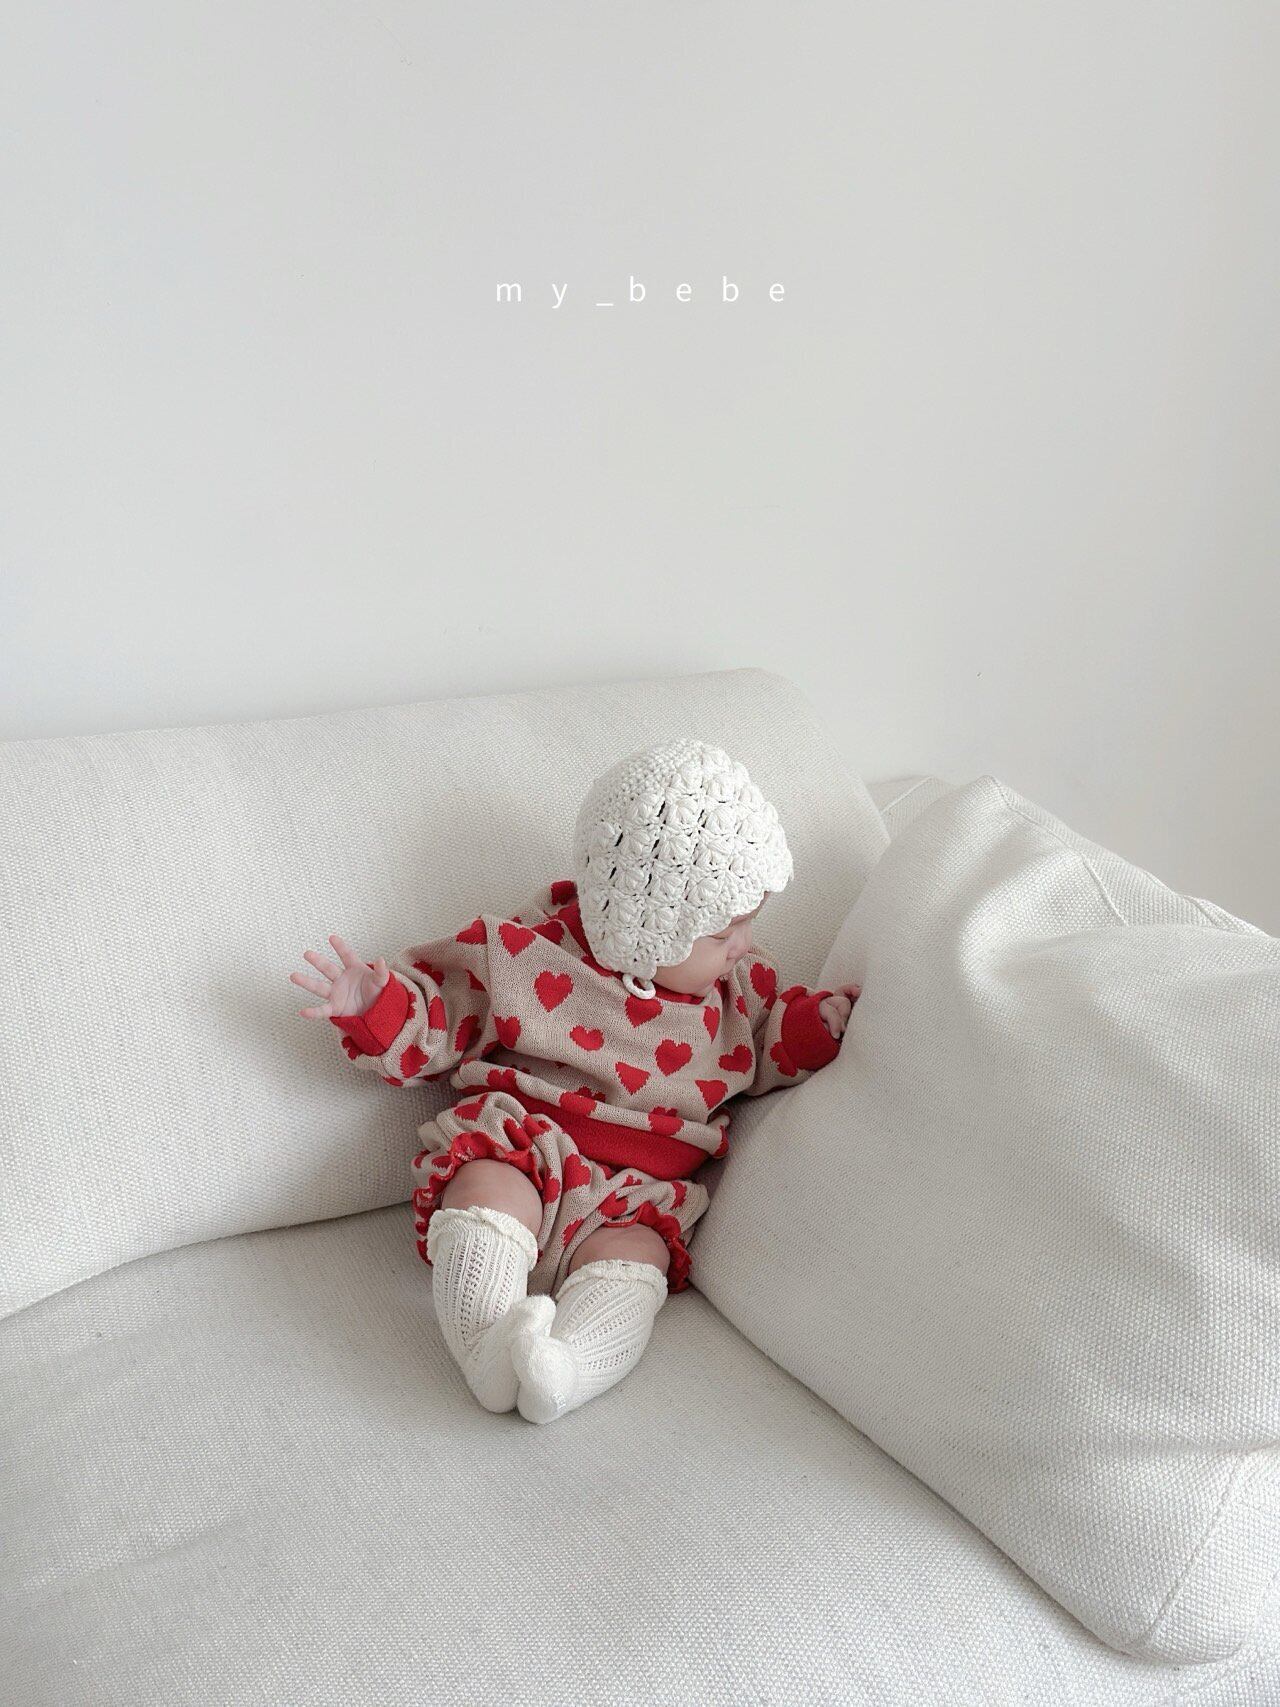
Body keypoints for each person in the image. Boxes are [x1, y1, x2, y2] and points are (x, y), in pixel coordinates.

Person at [289, 737, 860, 1424]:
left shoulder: (739, 991)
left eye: (747, 927)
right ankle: (486, 1349)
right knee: (486, 1189)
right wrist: (374, 1005)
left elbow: (766, 1045)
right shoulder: (527, 957)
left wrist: (814, 1027)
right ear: (650, 925)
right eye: (722, 933)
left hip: (635, 1195)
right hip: (529, 1148)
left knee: (637, 1259)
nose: (742, 946)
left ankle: (566, 1368)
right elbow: (441, 1017)